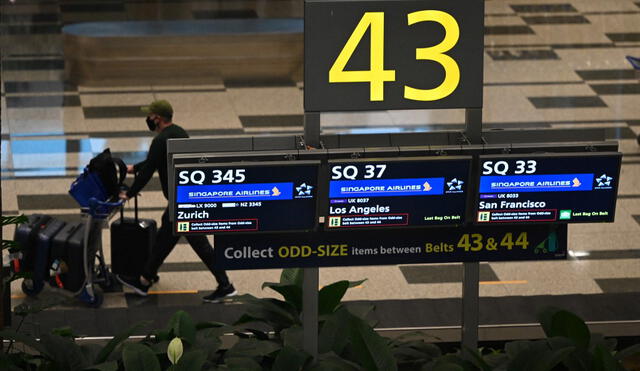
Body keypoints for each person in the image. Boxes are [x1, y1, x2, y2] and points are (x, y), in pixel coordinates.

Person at [117, 99, 236, 303]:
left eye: (151, 116)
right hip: (187, 196)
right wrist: (134, 168)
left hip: (181, 202)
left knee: (196, 244)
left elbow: (149, 171)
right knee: (167, 237)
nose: (148, 119)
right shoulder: (180, 133)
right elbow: (156, 160)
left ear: (158, 118)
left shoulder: (160, 140)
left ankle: (225, 285)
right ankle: (146, 278)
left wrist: (130, 193)